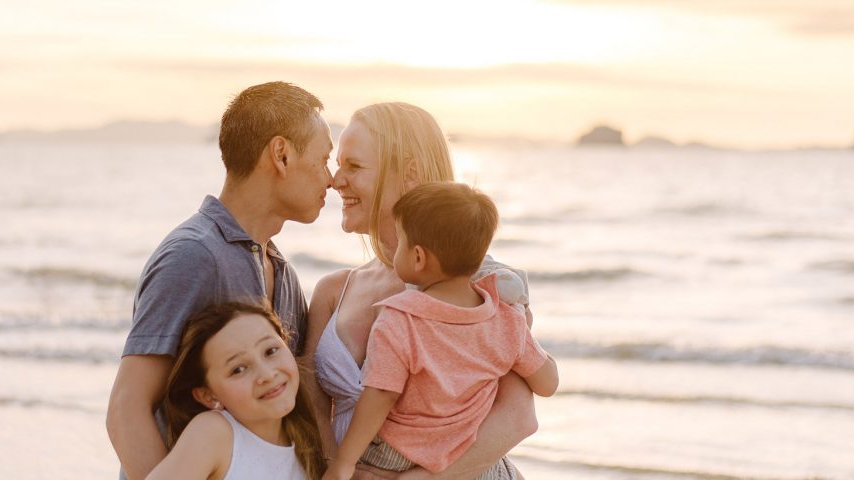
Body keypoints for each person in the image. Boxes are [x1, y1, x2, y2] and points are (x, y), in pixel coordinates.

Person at [106, 81, 334, 480]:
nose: (330, 178)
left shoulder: (284, 274)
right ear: (281, 155)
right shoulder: (194, 255)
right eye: (323, 159)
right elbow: (127, 407)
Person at [302, 102, 539, 479]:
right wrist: (336, 466)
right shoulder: (334, 290)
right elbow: (310, 396)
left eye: (354, 166)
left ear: (409, 173)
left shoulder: (478, 285)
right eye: (338, 164)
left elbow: (519, 416)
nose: (335, 180)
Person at [321, 183, 558, 480]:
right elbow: (547, 384)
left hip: (396, 453)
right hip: (462, 453)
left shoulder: (399, 317)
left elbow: (380, 394)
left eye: (401, 241)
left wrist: (343, 461)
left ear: (418, 258)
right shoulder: (507, 320)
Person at [148, 302, 326, 480]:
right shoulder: (214, 433)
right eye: (238, 369)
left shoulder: (311, 442)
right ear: (208, 395)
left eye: (270, 351)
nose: (267, 375)